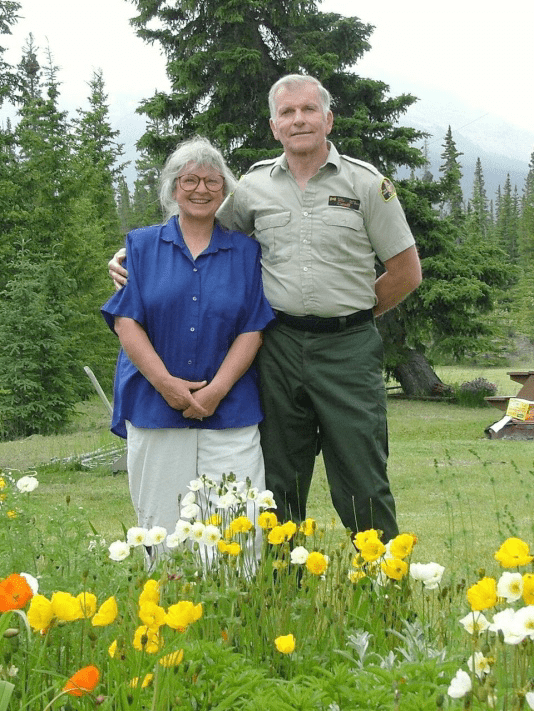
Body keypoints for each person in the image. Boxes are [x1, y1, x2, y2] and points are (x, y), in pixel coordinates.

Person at [109, 75, 422, 543]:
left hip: (349, 350)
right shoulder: (252, 188)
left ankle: (383, 590)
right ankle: (280, 594)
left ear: (328, 119)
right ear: (274, 126)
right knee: (277, 481)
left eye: (309, 110)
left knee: (363, 479)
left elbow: (405, 272)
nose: (299, 120)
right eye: (288, 113)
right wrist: (129, 257)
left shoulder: (366, 183)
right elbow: (201, 228)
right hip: (276, 347)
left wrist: (352, 317)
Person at [101, 137, 275, 560]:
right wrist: (166, 385)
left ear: (225, 189)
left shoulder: (245, 251)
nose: (201, 190)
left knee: (239, 524)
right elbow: (127, 321)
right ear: (173, 188)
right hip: (154, 408)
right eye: (190, 180)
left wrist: (214, 391)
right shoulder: (140, 247)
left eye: (212, 182)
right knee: (161, 529)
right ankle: (165, 613)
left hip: (229, 410)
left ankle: (234, 616)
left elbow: (252, 327)